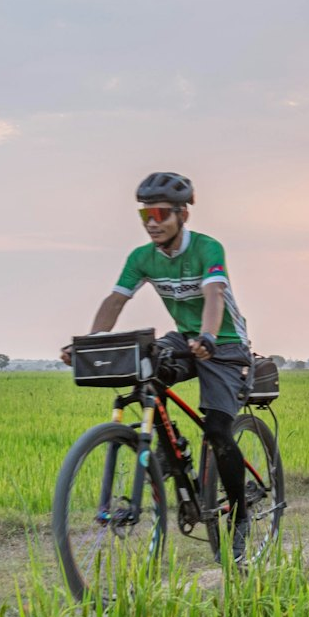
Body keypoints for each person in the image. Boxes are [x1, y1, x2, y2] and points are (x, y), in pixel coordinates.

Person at [61, 172, 254, 561]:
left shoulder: (206, 248)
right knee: (143, 369)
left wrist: (210, 338)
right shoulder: (141, 258)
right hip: (184, 338)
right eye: (145, 214)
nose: (152, 222)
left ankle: (240, 513)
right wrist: (91, 342)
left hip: (225, 344)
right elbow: (116, 300)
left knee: (218, 429)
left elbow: (215, 294)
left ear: (182, 214)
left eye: (160, 213)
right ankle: (170, 450)